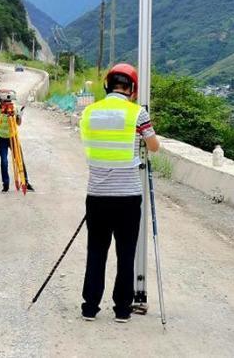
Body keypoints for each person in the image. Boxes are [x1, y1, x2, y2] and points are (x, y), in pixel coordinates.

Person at [78, 63, 159, 323]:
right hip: (127, 197)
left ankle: (90, 307)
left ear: (107, 85)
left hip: (97, 195)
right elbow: (154, 147)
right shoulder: (138, 115)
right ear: (132, 89)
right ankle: (122, 310)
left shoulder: (89, 113)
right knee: (126, 254)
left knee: (96, 252)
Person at [0, 89, 34, 192]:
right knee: (4, 161)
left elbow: (18, 123)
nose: (9, 103)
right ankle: (6, 184)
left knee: (19, 160)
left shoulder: (14, 108)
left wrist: (19, 116)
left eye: (10, 100)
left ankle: (25, 182)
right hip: (2, 138)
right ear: (1, 100)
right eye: (6, 101)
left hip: (13, 136)